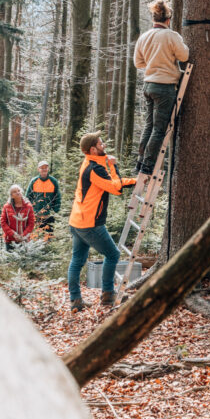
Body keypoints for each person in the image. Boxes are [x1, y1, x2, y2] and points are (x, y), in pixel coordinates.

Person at [67, 132, 137, 311]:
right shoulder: (94, 169)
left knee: (77, 260)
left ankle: (75, 301)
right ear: (93, 149)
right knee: (113, 255)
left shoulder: (91, 163)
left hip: (77, 221)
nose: (104, 145)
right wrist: (113, 167)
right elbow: (116, 188)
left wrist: (136, 181)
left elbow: (112, 183)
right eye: (101, 143)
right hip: (89, 224)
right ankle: (107, 295)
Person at [133, 0, 189, 182]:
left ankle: (141, 163)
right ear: (168, 19)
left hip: (148, 85)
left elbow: (138, 62)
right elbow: (184, 55)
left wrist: (153, 63)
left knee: (149, 126)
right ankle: (148, 165)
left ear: (154, 18)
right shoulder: (171, 36)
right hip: (164, 87)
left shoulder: (144, 37)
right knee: (158, 129)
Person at [26, 161, 61, 234]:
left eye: (45, 168)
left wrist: (55, 211)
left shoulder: (53, 181)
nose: (44, 169)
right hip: (36, 215)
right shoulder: (34, 181)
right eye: (42, 168)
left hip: (49, 215)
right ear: (38, 169)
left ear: (48, 169)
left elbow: (57, 197)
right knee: (35, 236)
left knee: (49, 236)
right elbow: (28, 197)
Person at [1, 185, 35, 249]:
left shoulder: (28, 206)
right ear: (11, 195)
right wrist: (13, 234)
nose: (18, 192)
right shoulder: (6, 207)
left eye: (19, 191)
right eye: (14, 192)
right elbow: (3, 223)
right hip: (10, 240)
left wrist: (23, 235)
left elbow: (31, 223)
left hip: (25, 240)